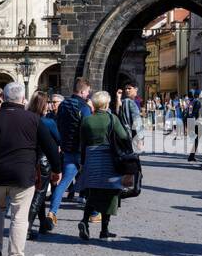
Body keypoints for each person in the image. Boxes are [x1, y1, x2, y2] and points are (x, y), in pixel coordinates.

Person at [0, 82, 61, 256]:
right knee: (19, 217)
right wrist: (56, 170)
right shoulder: (33, 120)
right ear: (22, 99)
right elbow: (51, 147)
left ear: (5, 97)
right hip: (23, 175)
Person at [77, 91, 133, 240]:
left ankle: (84, 221)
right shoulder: (111, 118)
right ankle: (104, 230)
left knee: (94, 193)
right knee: (111, 194)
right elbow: (123, 137)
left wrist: (82, 163)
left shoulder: (87, 120)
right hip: (109, 159)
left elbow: (82, 143)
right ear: (106, 104)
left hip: (91, 159)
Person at [50, 76, 93, 223]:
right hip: (82, 152)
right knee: (91, 182)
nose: (88, 95)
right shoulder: (84, 108)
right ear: (82, 91)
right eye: (87, 92)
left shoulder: (63, 105)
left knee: (63, 184)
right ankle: (93, 213)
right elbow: (87, 131)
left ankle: (52, 212)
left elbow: (60, 126)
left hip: (68, 149)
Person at [27, 92, 59, 239]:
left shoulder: (26, 118)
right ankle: (27, 227)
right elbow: (58, 140)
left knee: (37, 193)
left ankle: (43, 224)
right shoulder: (48, 122)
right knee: (39, 194)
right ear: (43, 105)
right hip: (43, 161)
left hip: (29, 160)